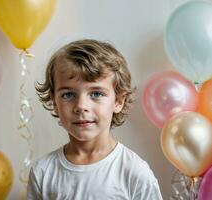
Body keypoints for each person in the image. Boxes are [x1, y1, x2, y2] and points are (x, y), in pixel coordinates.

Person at [27, 39, 163, 200]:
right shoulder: (43, 172)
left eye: (96, 94)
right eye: (68, 95)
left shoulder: (134, 173)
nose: (81, 106)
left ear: (118, 101)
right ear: (55, 102)